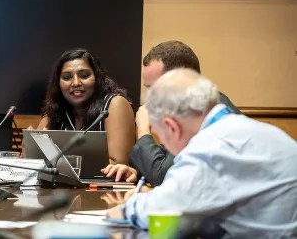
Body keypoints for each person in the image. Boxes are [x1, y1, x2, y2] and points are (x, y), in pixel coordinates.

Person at [106, 69, 297, 237]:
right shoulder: (259, 130)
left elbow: (160, 210)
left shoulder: (210, 147)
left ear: (172, 127)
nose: (163, 143)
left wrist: (125, 209)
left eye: (160, 135)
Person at [102, 41, 241, 185]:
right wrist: (136, 173)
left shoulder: (207, 113)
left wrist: (143, 129)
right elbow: (169, 160)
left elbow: (165, 178)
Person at [35, 49, 136, 164]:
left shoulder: (115, 104)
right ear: (58, 84)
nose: (76, 83)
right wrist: (30, 146)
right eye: (67, 77)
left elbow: (118, 164)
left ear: (97, 78)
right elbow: (34, 155)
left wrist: (57, 158)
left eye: (84, 75)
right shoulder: (57, 109)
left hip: (106, 182)